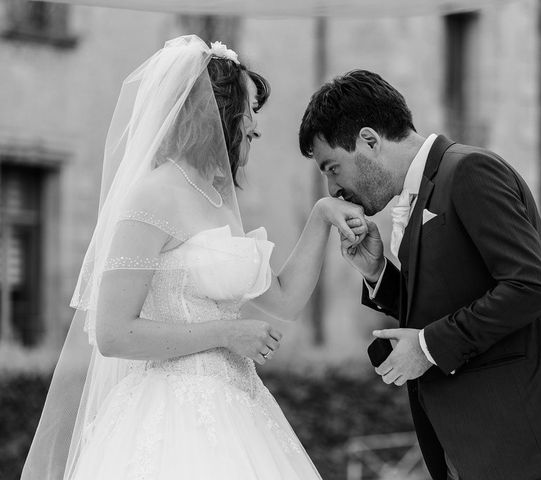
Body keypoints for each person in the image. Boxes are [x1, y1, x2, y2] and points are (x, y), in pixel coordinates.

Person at [21, 35, 365, 480]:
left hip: (240, 406)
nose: (254, 129)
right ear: (218, 116)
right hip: (170, 415)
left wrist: (321, 217)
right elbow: (112, 333)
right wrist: (226, 333)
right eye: (248, 115)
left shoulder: (219, 198)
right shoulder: (153, 196)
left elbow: (282, 301)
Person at [298, 69, 541, 480]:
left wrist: (427, 347)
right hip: (474, 443)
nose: (332, 188)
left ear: (369, 141)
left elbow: (531, 285)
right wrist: (377, 271)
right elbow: (451, 296)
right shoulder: (426, 186)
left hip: (512, 439)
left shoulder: (469, 171)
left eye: (332, 167)